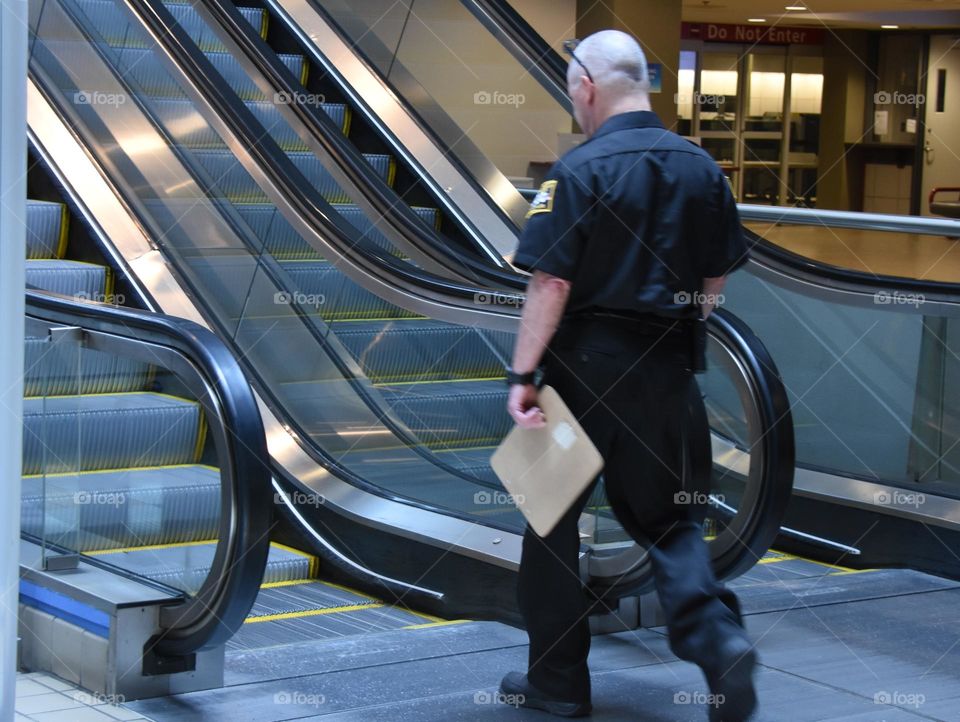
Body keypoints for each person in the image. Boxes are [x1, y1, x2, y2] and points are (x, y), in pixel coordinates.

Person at [498, 29, 755, 721]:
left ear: (586, 86)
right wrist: (681, 331)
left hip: (579, 368)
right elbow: (713, 277)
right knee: (671, 523)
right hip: (667, 367)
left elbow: (549, 282)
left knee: (548, 519)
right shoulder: (701, 169)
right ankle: (719, 639)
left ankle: (556, 685)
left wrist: (523, 373)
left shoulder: (578, 171)